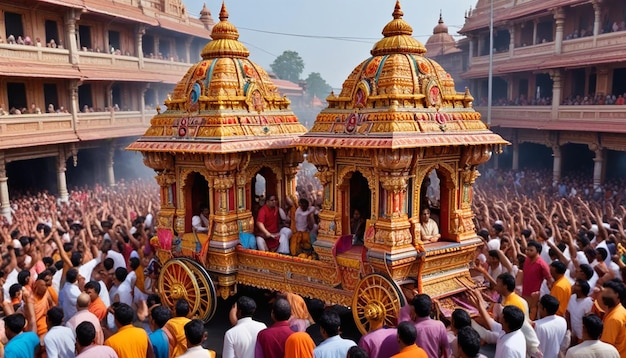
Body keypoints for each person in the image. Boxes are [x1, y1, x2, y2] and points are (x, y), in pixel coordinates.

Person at [404, 294, 450, 358]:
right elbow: (446, 350)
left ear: (414, 309)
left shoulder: (410, 328)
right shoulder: (439, 325)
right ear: (431, 308)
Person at [599, 279, 626, 356]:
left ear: (617, 295)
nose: (603, 296)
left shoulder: (614, 319)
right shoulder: (621, 310)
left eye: (608, 293)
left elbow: (606, 347)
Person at [566, 279, 593, 345]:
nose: (573, 286)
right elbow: (568, 314)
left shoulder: (588, 302)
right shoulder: (572, 298)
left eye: (577, 285)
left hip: (582, 336)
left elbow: (588, 320)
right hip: (572, 334)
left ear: (582, 289)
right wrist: (570, 331)